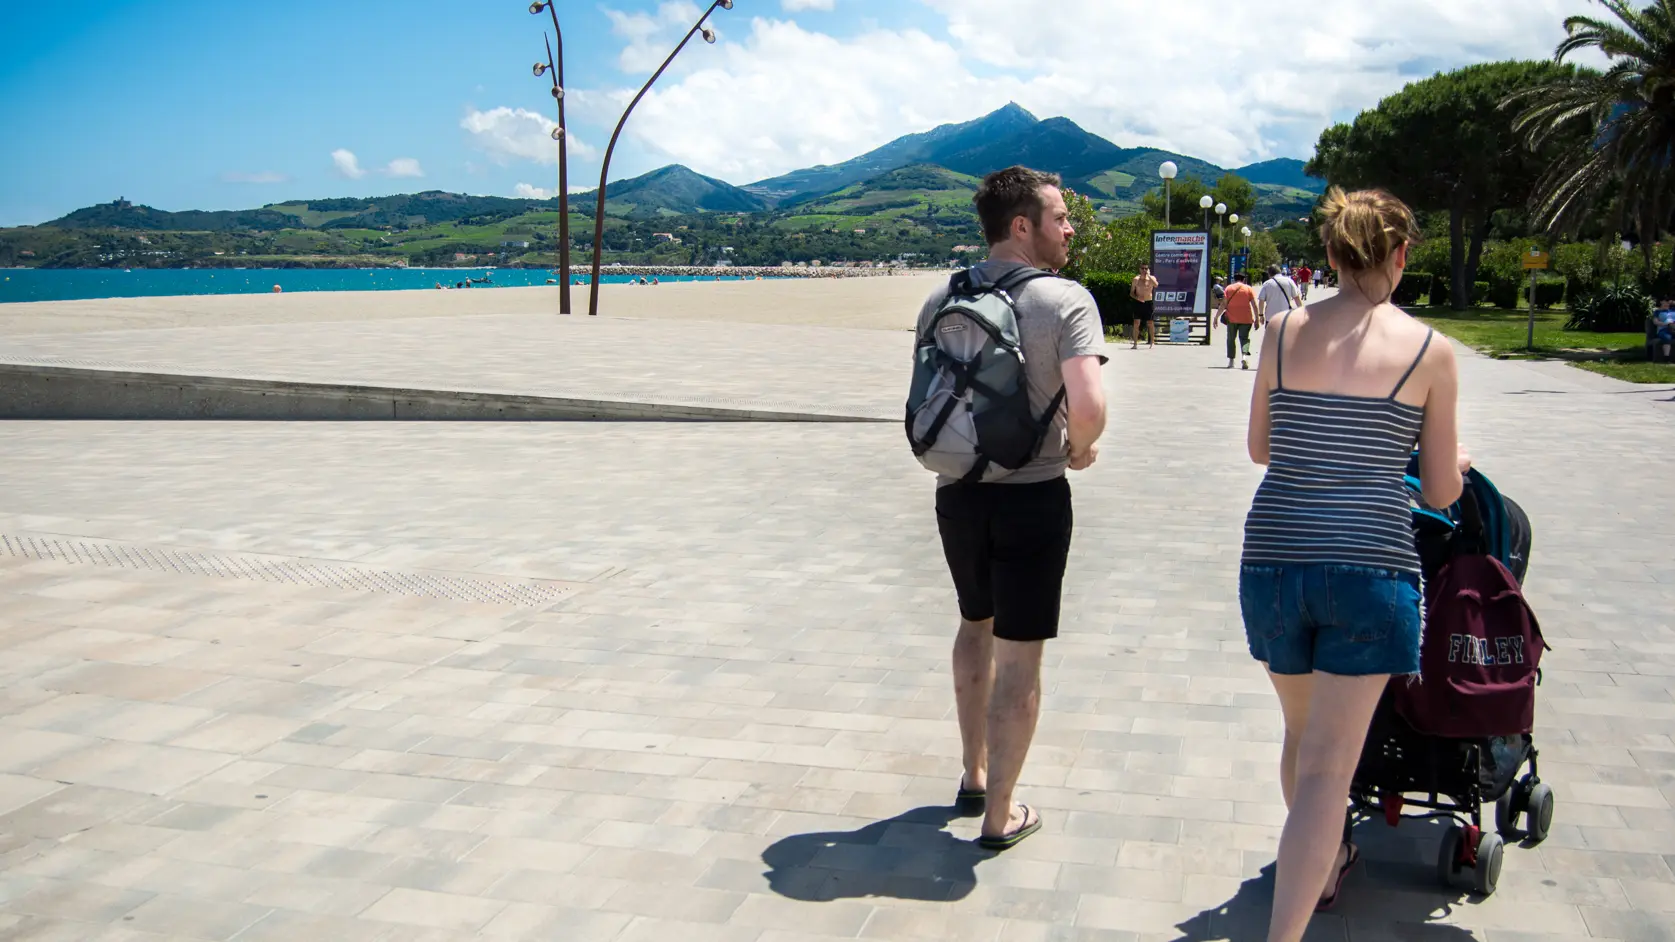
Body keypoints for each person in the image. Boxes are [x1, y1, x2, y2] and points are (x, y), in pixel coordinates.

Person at [1240, 187, 1468, 941]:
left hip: (1274, 559)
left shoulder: (1277, 331)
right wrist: (1444, 462)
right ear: (1400, 256)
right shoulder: (1429, 351)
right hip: (1369, 567)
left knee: (1301, 745)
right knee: (1326, 772)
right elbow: (1438, 491)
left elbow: (1261, 449)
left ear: (1331, 254)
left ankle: (1324, 860)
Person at [916, 165, 1108, 851]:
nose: (1069, 227)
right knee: (1019, 658)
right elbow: (1087, 406)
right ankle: (999, 816)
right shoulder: (1065, 301)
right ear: (1021, 225)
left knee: (974, 624)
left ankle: (971, 775)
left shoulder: (941, 295)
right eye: (1059, 216)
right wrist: (1080, 450)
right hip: (1032, 495)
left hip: (957, 492)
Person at [1221, 271, 1260, 369]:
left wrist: (1216, 317)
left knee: (1231, 339)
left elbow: (1223, 304)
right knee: (1244, 339)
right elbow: (1254, 305)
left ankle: (1231, 361)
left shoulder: (1229, 288)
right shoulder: (1248, 289)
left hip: (1231, 318)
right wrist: (1257, 319)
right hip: (1246, 319)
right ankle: (1244, 357)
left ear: (1234, 279)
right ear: (1244, 279)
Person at [1130, 264, 1159, 349]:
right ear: (1139, 269)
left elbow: (1156, 285)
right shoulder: (1136, 279)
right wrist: (1137, 297)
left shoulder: (1151, 279)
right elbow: (1131, 293)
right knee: (1136, 323)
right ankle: (1135, 343)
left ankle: (1152, 342)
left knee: (1150, 323)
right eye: (1142, 268)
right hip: (1138, 303)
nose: (1144, 270)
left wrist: (1149, 276)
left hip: (1148, 302)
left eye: (1146, 268)